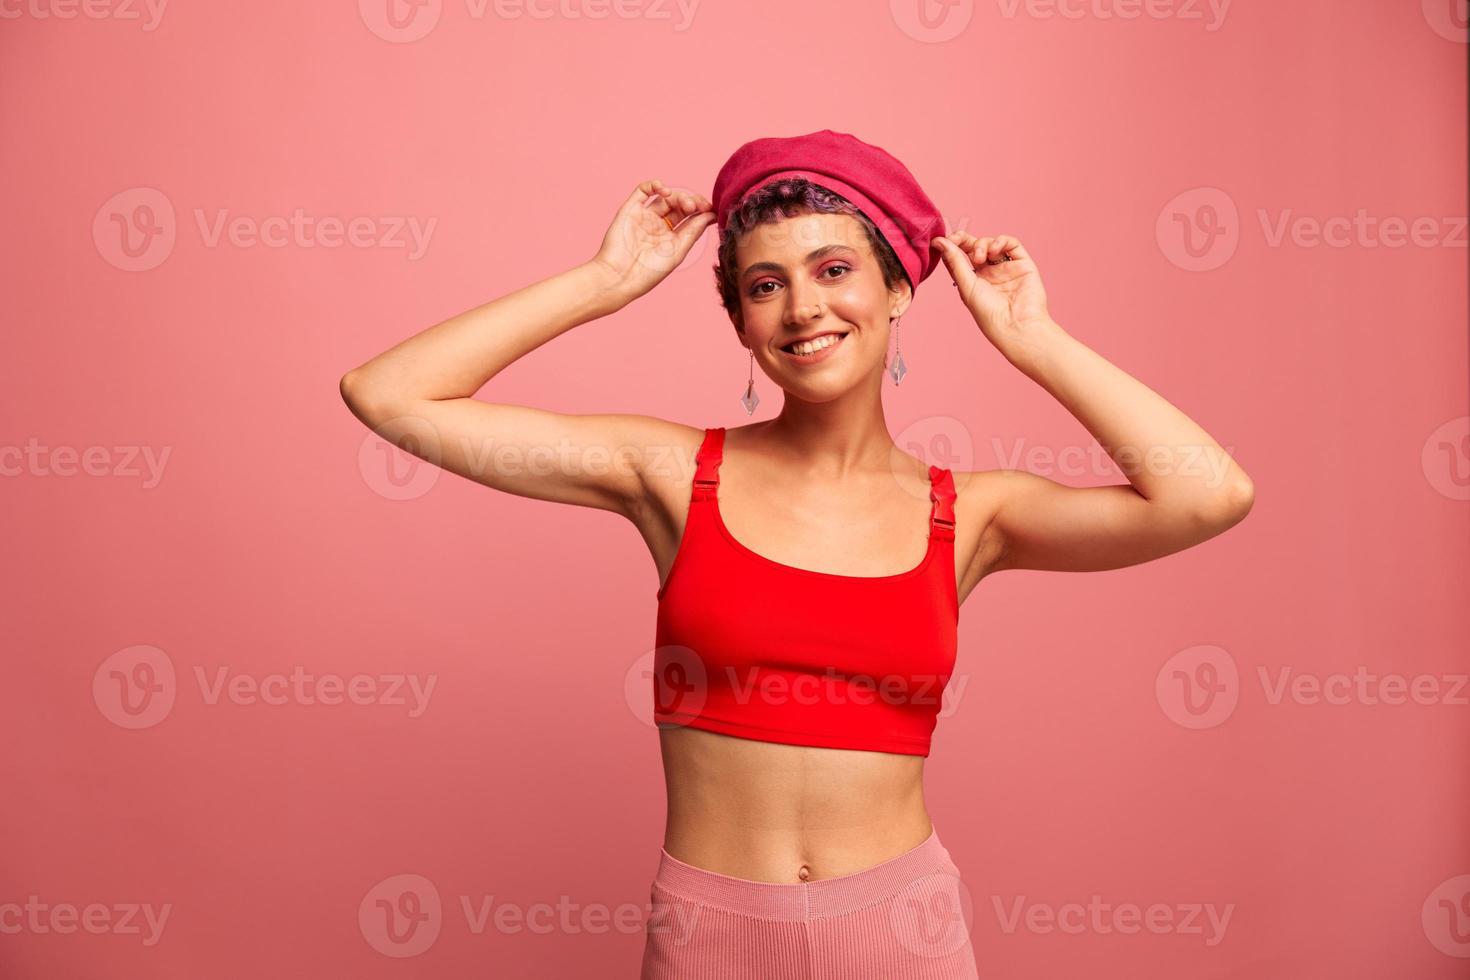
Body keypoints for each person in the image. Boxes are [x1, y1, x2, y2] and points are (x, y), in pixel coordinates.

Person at [339, 130, 1255, 979]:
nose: (803, 306)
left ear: (898, 289)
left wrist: (1032, 339)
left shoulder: (971, 513)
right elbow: (391, 395)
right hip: (709, 936)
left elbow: (1208, 494)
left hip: (902, 932)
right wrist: (602, 281)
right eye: (765, 284)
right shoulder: (671, 474)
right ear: (739, 320)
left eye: (834, 268)